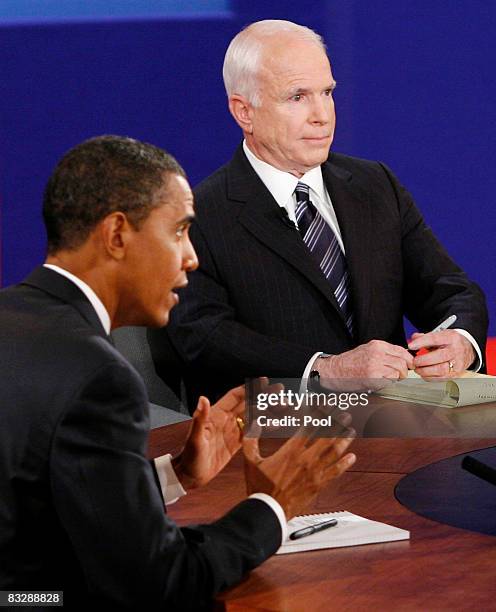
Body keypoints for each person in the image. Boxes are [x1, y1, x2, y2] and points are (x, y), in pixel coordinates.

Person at [0, 136, 355, 609]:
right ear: (117, 235)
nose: (191, 257)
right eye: (179, 232)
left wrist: (176, 474)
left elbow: (37, 501)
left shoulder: (12, 316)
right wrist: (271, 508)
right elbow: (159, 585)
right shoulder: (100, 376)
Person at [163, 19, 488, 411]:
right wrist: (322, 370)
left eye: (327, 92)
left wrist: (461, 342)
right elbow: (204, 338)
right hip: (277, 432)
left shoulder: (374, 185)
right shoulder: (200, 216)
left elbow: (450, 289)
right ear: (244, 112)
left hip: (396, 426)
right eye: (297, 97)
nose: (322, 115)